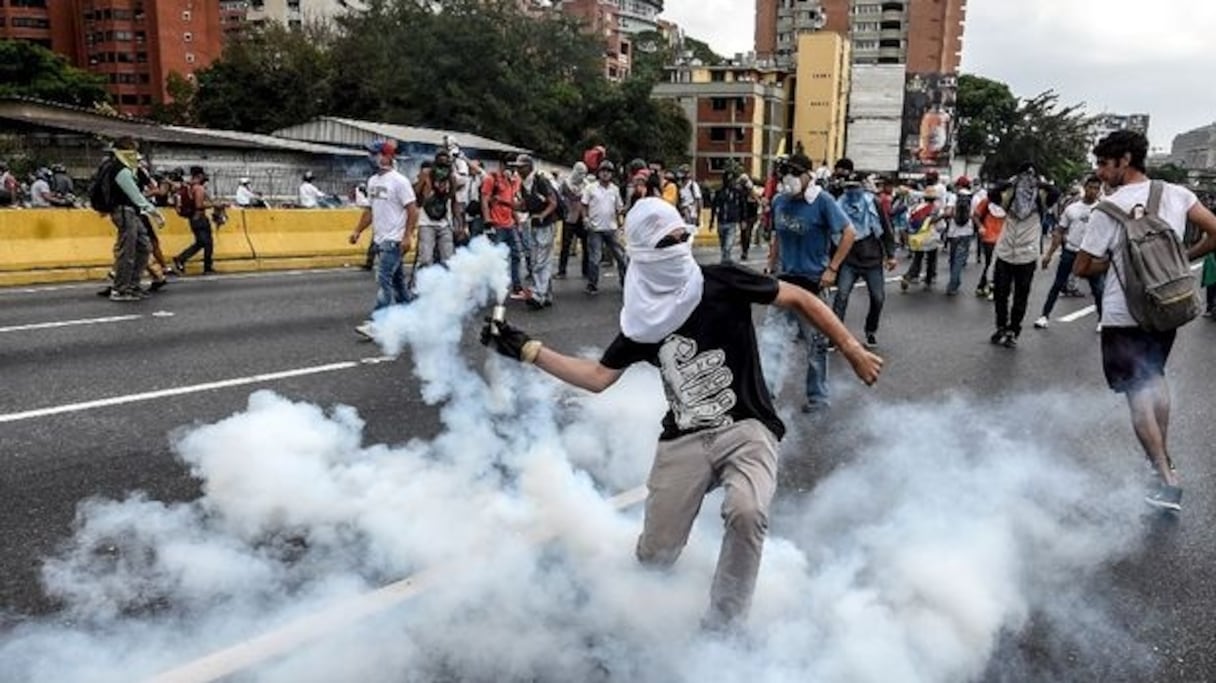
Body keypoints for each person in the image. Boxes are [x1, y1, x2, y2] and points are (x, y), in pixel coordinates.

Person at [480, 196, 883, 630]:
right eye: (664, 242)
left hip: (746, 425)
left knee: (747, 511)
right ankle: (643, 604)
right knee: (654, 557)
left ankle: (724, 629)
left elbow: (801, 298)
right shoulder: (642, 322)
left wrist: (851, 347)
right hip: (684, 438)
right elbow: (597, 376)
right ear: (642, 254)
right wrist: (528, 350)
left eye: (680, 237)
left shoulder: (722, 281)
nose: (676, 247)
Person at [1074, 130, 1216, 512]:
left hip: (1125, 315)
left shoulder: (1108, 209)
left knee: (1137, 395)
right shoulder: (1175, 193)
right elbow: (1214, 230)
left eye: (1104, 164)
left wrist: (1121, 260)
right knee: (1154, 379)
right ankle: (1162, 460)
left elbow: (1083, 266)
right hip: (1166, 306)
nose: (1100, 172)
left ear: (1124, 160)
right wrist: (1181, 259)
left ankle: (1167, 481)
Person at [768, 152, 857, 412]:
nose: (790, 179)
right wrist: (772, 262)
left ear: (809, 175)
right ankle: (766, 394)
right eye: (786, 174)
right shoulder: (779, 201)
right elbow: (777, 235)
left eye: (796, 174)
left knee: (815, 346)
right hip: (784, 283)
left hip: (812, 284)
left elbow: (849, 233)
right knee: (771, 342)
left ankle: (818, 398)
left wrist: (832, 268)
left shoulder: (823, 202)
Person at [348, 139, 419, 340]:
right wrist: (358, 231)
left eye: (375, 153)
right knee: (398, 284)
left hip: (394, 241)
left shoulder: (400, 181)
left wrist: (407, 236)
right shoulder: (372, 181)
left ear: (387, 156)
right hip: (379, 240)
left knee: (383, 279)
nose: (371, 157)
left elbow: (412, 211)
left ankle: (378, 323)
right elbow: (370, 210)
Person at [986, 162, 1059, 348]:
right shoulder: (1009, 196)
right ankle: (1001, 326)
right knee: (1000, 294)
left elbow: (1055, 194)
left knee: (1021, 295)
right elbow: (992, 194)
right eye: (1024, 176)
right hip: (1005, 251)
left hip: (1027, 254)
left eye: (1031, 176)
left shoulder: (1041, 198)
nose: (1027, 181)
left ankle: (1013, 330)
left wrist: (1040, 184)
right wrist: (1010, 183)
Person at [833, 172, 898, 347]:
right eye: (849, 188)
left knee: (878, 298)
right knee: (841, 296)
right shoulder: (838, 206)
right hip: (849, 260)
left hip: (873, 261)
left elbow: (886, 228)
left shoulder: (873, 204)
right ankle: (835, 335)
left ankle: (870, 331)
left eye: (855, 187)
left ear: (862, 187)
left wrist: (891, 255)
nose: (852, 191)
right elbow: (832, 234)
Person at [1034, 176, 1105, 330]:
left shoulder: (1102, 210)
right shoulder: (1072, 208)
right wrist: (1049, 254)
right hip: (1071, 251)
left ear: (1099, 191)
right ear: (1084, 188)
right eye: (1090, 187)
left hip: (1090, 254)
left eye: (1096, 188)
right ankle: (1044, 316)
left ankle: (1101, 320)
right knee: (1058, 284)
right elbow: (1059, 232)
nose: (1093, 191)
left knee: (1097, 289)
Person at [100, 138, 163, 301]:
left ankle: (133, 285)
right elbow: (134, 195)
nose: (135, 156)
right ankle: (120, 289)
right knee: (127, 251)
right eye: (133, 152)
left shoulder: (128, 169)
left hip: (132, 212)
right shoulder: (120, 170)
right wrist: (153, 212)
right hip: (124, 211)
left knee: (144, 247)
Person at [516, 154, 559, 309]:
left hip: (545, 224)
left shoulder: (540, 181)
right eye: (518, 167)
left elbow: (552, 202)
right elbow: (525, 205)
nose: (519, 170)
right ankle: (546, 294)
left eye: (522, 167)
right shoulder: (524, 185)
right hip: (535, 224)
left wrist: (542, 215)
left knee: (541, 260)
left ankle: (538, 294)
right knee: (540, 259)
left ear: (529, 167)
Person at [482, 157, 527, 298]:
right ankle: (488, 287)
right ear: (501, 164)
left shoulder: (513, 181)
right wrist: (488, 220)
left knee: (516, 255)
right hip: (496, 224)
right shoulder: (491, 179)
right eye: (507, 165)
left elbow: (511, 202)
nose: (510, 168)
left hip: (510, 223)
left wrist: (517, 221)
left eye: (513, 166)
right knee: (496, 258)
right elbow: (484, 200)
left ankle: (516, 287)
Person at [580, 160, 627, 295]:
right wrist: (585, 218)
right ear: (599, 173)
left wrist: (621, 222)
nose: (605, 174)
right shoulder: (591, 188)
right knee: (595, 258)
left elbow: (619, 208)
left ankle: (625, 282)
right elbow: (584, 205)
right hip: (595, 228)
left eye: (608, 171)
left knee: (621, 256)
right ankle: (592, 284)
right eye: (603, 171)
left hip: (611, 228)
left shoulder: (615, 189)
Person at [173, 166, 217, 275]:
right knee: (204, 242)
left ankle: (207, 267)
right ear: (200, 175)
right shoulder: (198, 188)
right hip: (199, 218)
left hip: (193, 218)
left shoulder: (188, 186)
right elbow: (199, 205)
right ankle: (180, 259)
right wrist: (214, 204)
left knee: (206, 243)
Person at [557, 161, 590, 280]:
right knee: (565, 245)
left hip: (582, 217)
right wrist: (563, 210)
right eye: (580, 173)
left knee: (586, 245)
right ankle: (561, 271)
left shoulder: (586, 184)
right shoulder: (565, 182)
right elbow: (558, 197)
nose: (582, 176)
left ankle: (586, 270)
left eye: (584, 173)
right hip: (569, 217)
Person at [944, 176, 976, 296]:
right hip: (967, 232)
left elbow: (948, 212)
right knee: (960, 260)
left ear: (958, 185)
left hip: (954, 233)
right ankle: (953, 285)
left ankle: (953, 283)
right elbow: (975, 214)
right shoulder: (974, 197)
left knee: (953, 259)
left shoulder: (953, 196)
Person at [709, 170, 747, 265]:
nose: (730, 182)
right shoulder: (719, 193)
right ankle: (725, 259)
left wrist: (743, 220)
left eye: (732, 180)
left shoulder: (738, 193)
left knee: (728, 245)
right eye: (728, 180)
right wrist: (712, 221)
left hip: (732, 222)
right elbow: (714, 207)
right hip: (721, 221)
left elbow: (743, 206)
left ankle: (725, 261)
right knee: (723, 244)